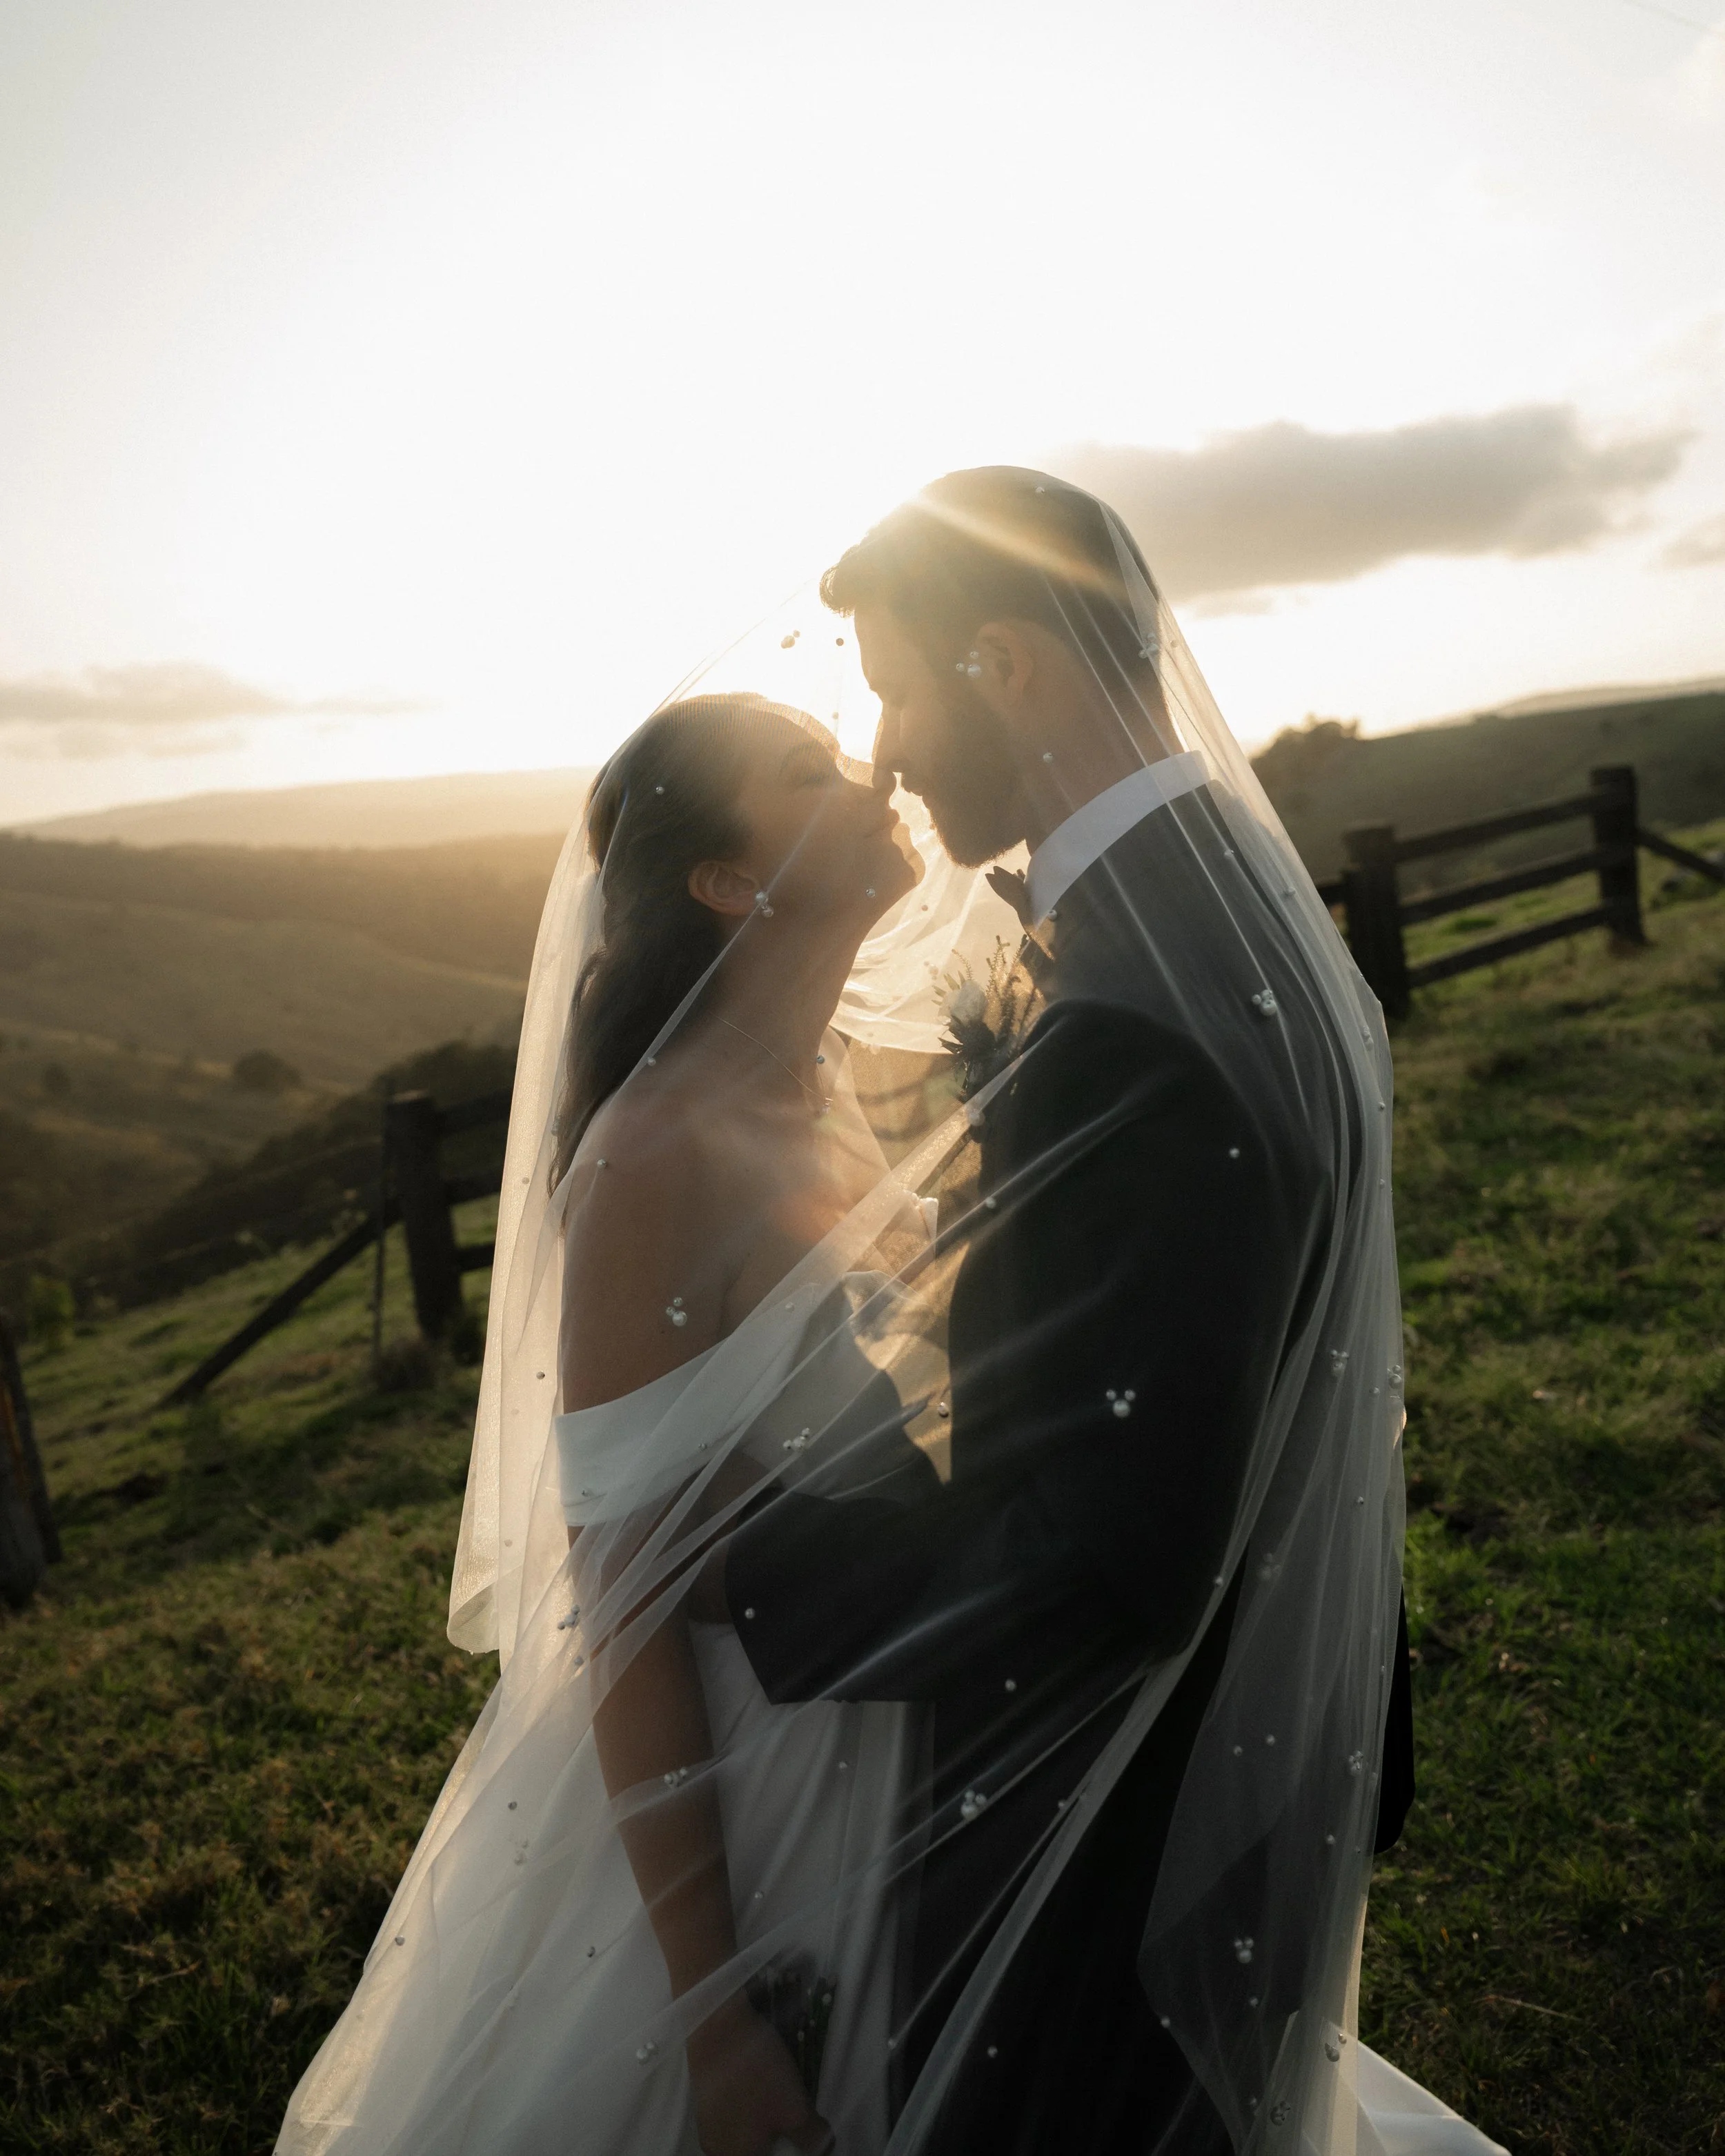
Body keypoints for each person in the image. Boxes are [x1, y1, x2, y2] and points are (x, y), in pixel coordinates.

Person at [279, 473, 1504, 2156]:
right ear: (720, 880)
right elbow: (629, 1604)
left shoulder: (1086, 1026)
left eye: (889, 689)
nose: (878, 748)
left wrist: (747, 1558)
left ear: (999, 661)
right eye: (814, 750)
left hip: (1012, 1774)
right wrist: (712, 2010)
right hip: (819, 1798)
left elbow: (1105, 1525)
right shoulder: (1209, 929)